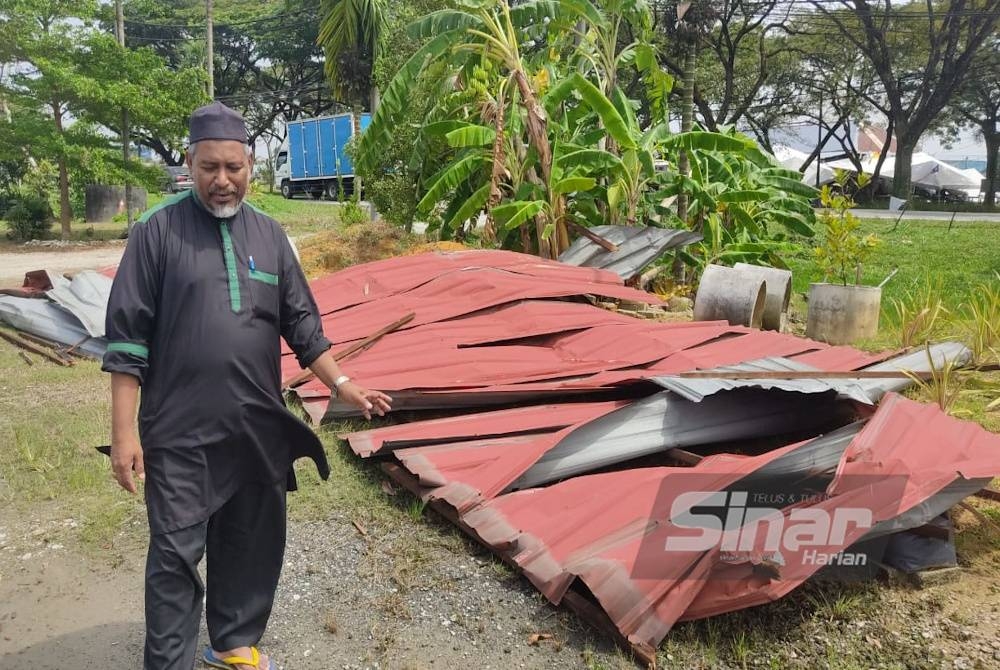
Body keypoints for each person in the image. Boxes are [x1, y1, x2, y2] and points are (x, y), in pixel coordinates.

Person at [102, 101, 392, 670]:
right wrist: (122, 434)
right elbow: (128, 341)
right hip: (179, 430)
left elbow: (302, 324)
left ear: (250, 165)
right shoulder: (157, 234)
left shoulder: (271, 236)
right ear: (190, 163)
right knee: (175, 552)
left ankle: (231, 642)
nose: (222, 180)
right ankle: (168, 662)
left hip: (255, 426)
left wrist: (343, 383)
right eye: (209, 167)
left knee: (251, 541)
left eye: (233, 167)